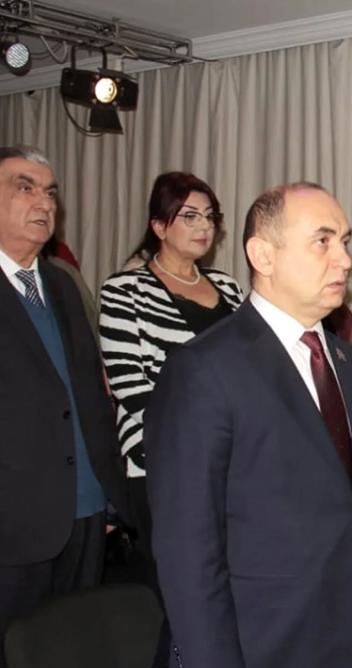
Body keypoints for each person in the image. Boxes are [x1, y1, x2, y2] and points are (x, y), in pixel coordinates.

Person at [145, 182, 352, 668]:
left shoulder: (351, 366)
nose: (345, 259)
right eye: (323, 241)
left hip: (349, 654)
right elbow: (187, 543)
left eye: (345, 241)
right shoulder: (205, 369)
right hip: (258, 667)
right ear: (262, 255)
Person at [0, 145, 127, 668]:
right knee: (7, 660)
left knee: (62, 655)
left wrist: (109, 492)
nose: (43, 202)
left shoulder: (62, 285)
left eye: (50, 191)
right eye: (25, 187)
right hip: (15, 516)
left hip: (83, 508)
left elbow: (88, 396)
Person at [98, 172, 244, 589]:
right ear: (159, 226)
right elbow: (130, 386)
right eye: (190, 216)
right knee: (181, 588)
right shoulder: (124, 290)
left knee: (232, 583)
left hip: (232, 460)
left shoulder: (230, 288)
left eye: (210, 217)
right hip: (162, 460)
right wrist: (199, 444)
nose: (204, 226)